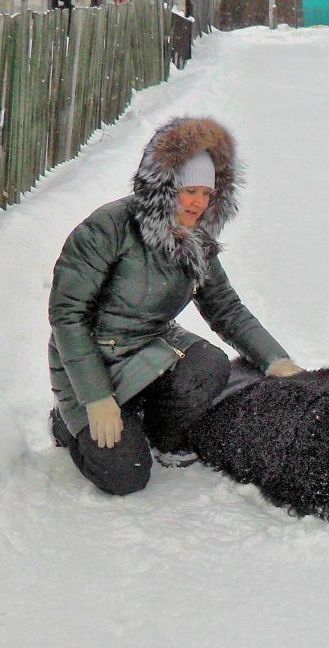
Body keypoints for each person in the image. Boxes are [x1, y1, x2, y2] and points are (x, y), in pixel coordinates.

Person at [47, 116, 302, 495]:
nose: (199, 203)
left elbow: (226, 309)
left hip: (149, 346)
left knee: (209, 364)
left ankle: (156, 431)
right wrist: (96, 397)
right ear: (163, 187)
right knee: (125, 476)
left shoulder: (195, 239)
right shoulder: (108, 228)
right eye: (189, 190)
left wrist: (275, 360)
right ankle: (68, 425)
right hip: (90, 359)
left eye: (207, 193)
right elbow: (67, 316)